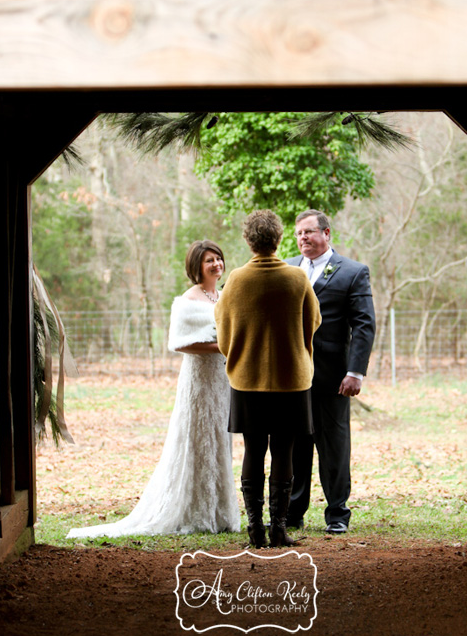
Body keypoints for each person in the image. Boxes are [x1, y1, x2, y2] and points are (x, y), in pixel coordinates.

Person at [67, 240, 240, 539]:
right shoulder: (187, 301)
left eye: (219, 259)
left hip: (222, 381)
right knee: (197, 440)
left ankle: (220, 511)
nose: (216, 265)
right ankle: (193, 509)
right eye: (209, 260)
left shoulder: (223, 297)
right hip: (199, 382)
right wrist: (222, 346)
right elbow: (180, 343)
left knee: (219, 439)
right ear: (196, 266)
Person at [214, 210, 321, 548]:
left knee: (253, 451)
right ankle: (279, 528)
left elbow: (223, 333)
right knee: (284, 452)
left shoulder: (235, 280)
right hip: (292, 380)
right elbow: (313, 322)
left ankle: (255, 531)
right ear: (279, 240)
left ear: (249, 241)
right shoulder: (297, 278)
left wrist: (241, 354)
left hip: (247, 381)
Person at [286, 208, 376, 534]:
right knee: (296, 447)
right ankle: (292, 513)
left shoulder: (352, 272)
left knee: (334, 447)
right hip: (292, 376)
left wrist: (356, 372)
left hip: (333, 377)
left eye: (309, 232)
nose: (303, 238)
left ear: (326, 234)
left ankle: (337, 513)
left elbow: (364, 326)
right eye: (298, 234)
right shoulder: (288, 269)